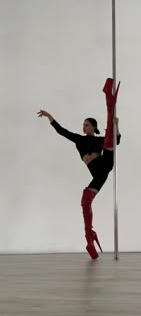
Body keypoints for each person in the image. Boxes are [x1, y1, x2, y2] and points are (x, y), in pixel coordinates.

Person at [37, 78, 121, 259]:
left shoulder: (98, 139)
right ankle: (89, 237)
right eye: (83, 125)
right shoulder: (79, 139)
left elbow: (117, 141)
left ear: (93, 127)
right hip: (99, 174)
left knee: (109, 138)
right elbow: (61, 131)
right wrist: (49, 116)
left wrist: (116, 126)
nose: (84, 127)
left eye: (88, 125)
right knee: (85, 201)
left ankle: (108, 97)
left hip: (105, 163)